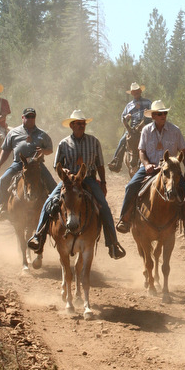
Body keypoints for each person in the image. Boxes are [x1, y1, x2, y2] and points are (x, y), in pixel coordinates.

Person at [27, 109, 125, 260]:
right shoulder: (64, 143)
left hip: (88, 179)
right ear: (71, 125)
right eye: (78, 123)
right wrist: (64, 170)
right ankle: (39, 237)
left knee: (104, 207)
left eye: (83, 123)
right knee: (49, 202)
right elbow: (56, 164)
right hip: (68, 180)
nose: (81, 125)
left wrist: (103, 182)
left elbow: (99, 164)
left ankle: (113, 244)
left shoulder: (94, 141)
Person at [115, 99, 185, 241]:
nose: (163, 116)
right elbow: (141, 151)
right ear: (153, 116)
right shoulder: (146, 130)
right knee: (131, 186)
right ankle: (125, 219)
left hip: (170, 169)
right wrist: (147, 164)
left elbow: (183, 150)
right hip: (150, 168)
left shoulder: (175, 130)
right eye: (159, 114)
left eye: (164, 113)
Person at [0, 108, 56, 221]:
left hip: (37, 164)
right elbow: (6, 150)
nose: (30, 119)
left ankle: (55, 207)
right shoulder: (13, 133)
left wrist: (43, 151)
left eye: (32, 117)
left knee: (51, 182)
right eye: (27, 116)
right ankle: (2, 207)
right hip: (18, 163)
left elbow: (50, 149)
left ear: (35, 118)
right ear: (23, 117)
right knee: (3, 179)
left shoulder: (42, 134)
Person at [108, 82, 152, 172]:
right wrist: (127, 117)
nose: (136, 93)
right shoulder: (129, 105)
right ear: (132, 93)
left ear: (140, 91)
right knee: (122, 140)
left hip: (146, 127)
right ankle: (116, 161)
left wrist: (147, 114)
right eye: (134, 92)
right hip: (132, 129)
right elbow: (122, 118)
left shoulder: (148, 102)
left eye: (137, 91)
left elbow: (153, 113)